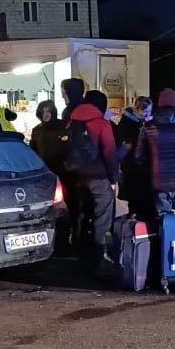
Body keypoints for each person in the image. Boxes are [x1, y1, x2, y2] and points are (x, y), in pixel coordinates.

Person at [64, 89, 119, 268]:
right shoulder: (101, 123)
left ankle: (80, 252)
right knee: (102, 214)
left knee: (82, 213)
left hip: (76, 176)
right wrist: (113, 178)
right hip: (98, 176)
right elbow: (110, 152)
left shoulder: (72, 121)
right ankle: (98, 254)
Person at [114, 96, 154, 221]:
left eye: (149, 112)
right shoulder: (127, 126)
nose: (148, 115)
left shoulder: (136, 123)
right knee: (136, 201)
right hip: (132, 170)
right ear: (137, 110)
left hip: (141, 169)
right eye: (145, 112)